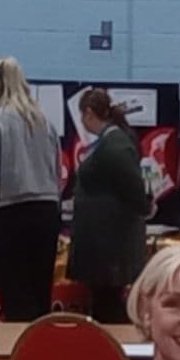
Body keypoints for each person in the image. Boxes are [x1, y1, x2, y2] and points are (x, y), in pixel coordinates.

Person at [0, 57, 62, 322]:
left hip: (9, 215)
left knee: (15, 298)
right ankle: (41, 356)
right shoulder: (45, 122)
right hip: (46, 213)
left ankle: (16, 358)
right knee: (39, 295)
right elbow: (58, 171)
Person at [66, 88, 147, 324]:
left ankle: (114, 350)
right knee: (104, 303)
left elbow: (134, 190)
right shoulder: (112, 142)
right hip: (104, 245)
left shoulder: (115, 146)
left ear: (89, 113)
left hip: (108, 246)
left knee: (108, 307)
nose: (82, 122)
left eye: (82, 116)